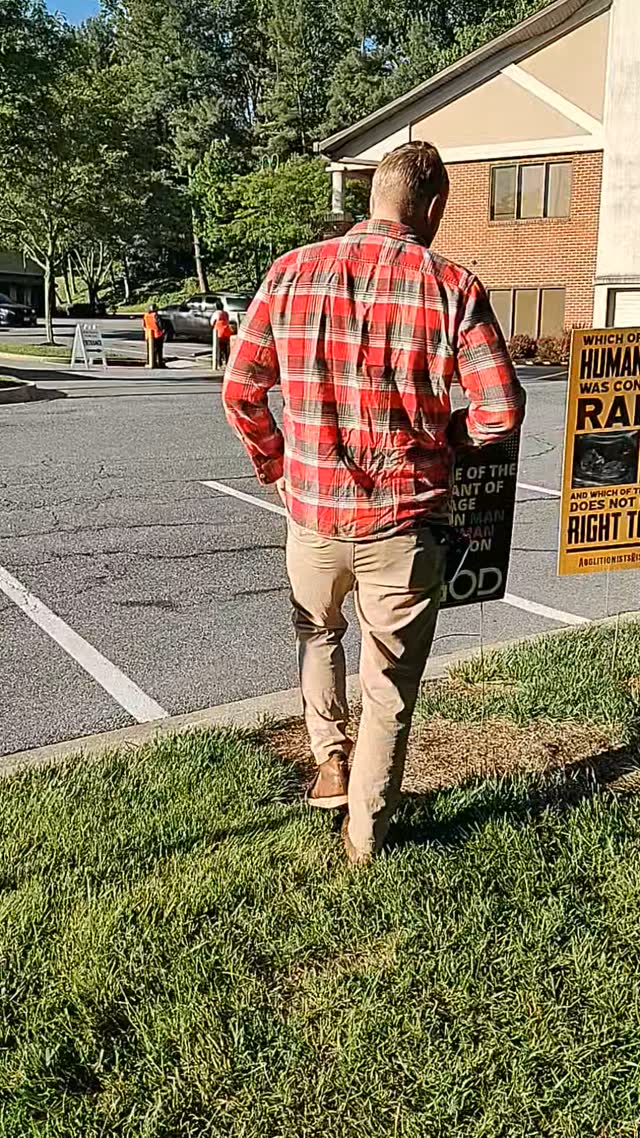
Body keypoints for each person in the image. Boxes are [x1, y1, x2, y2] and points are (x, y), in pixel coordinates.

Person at [222, 141, 525, 865]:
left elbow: (240, 390)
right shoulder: (452, 285)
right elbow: (501, 410)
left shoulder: (291, 272)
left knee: (317, 634)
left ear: (372, 196)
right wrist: (447, 436)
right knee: (388, 684)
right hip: (404, 523)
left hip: (313, 512)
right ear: (435, 206)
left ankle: (330, 756)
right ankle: (367, 839)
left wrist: (277, 462)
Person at [210, 300, 232, 367]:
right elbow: (228, 321)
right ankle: (227, 362)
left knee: (218, 348)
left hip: (219, 332)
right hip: (226, 331)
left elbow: (212, 322)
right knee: (225, 348)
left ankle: (219, 362)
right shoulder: (226, 313)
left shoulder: (216, 313)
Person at [142, 303, 164, 369]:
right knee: (159, 350)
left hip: (149, 334)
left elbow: (144, 325)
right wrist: (162, 330)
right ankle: (159, 362)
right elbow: (159, 324)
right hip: (157, 334)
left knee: (150, 350)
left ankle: (149, 362)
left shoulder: (146, 315)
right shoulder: (155, 315)